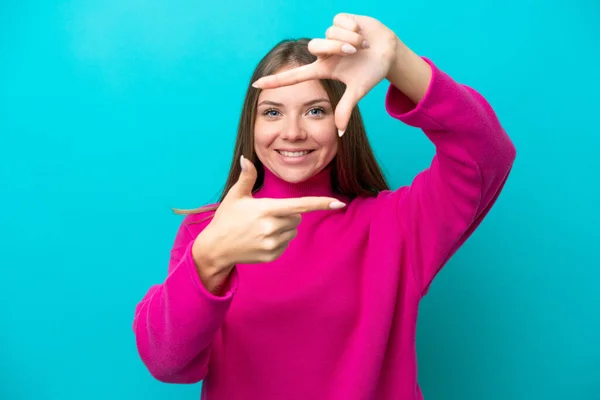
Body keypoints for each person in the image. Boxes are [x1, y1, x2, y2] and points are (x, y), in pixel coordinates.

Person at [132, 13, 516, 400]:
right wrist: (209, 259)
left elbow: (487, 152)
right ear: (251, 124)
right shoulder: (209, 231)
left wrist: (399, 62)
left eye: (315, 110)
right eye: (272, 112)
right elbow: (167, 363)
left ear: (341, 117)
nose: (293, 131)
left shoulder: (397, 225)